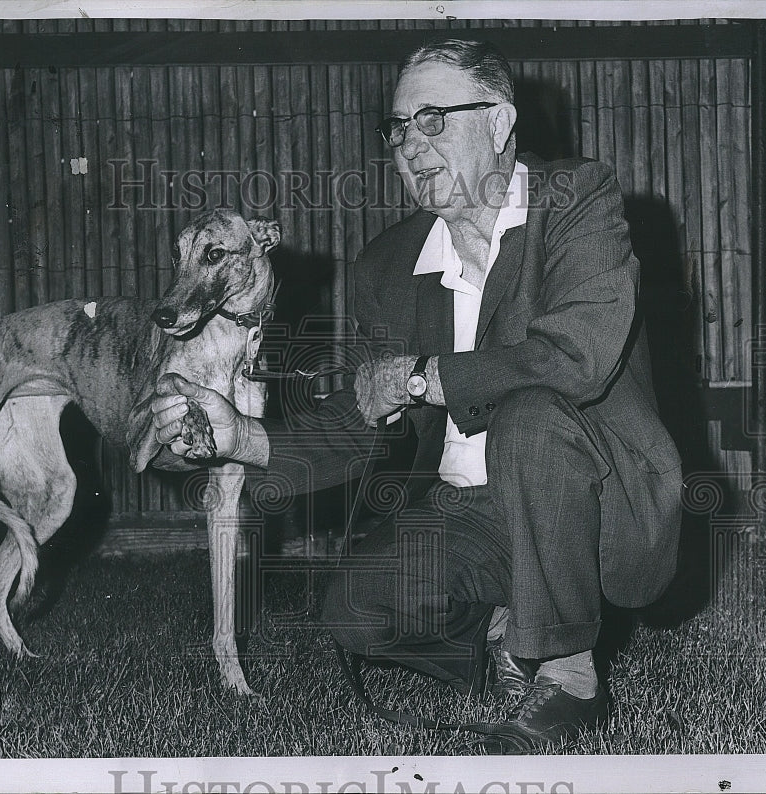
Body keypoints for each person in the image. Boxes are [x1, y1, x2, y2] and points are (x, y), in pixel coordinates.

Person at [149, 37, 683, 754]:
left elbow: (575, 358)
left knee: (527, 414)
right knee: (356, 612)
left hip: (597, 499)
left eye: (433, 120)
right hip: (478, 514)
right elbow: (360, 417)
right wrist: (239, 437)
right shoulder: (389, 264)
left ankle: (568, 673)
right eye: (398, 128)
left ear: (498, 123)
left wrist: (423, 376)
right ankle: (511, 628)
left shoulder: (577, 199)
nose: (408, 144)